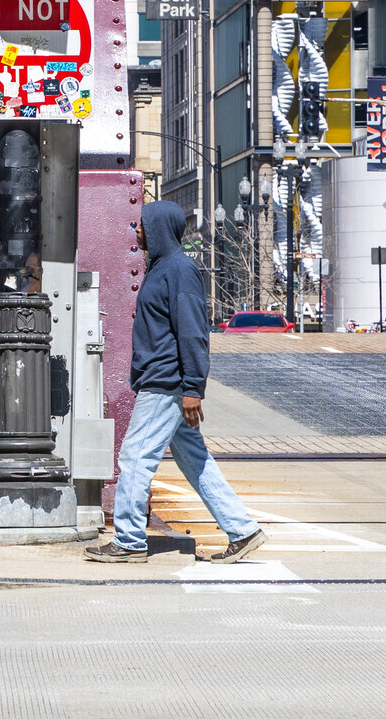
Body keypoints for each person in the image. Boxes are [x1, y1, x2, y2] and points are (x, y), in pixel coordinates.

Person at [87, 201, 266, 565]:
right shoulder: (163, 267)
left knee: (134, 458)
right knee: (195, 460)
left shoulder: (179, 271)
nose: (137, 231)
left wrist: (191, 389)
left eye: (142, 225)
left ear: (160, 229)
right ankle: (242, 530)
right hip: (164, 381)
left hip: (165, 384)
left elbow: (194, 334)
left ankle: (130, 541)